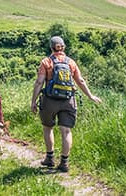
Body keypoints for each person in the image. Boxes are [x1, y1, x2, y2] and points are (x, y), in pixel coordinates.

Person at [30, 36, 102, 172]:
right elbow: (80, 81)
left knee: (47, 127)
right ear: (64, 47)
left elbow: (39, 82)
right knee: (66, 131)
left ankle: (50, 158)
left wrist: (33, 101)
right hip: (68, 100)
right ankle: (64, 162)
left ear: (51, 47)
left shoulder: (46, 62)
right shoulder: (71, 63)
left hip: (50, 100)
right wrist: (90, 96)